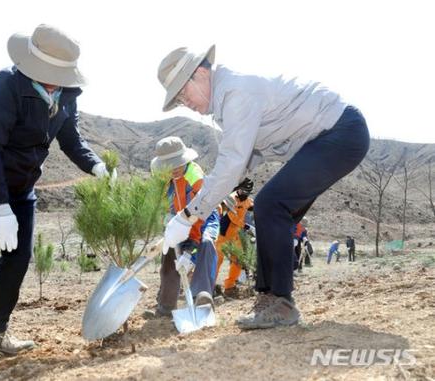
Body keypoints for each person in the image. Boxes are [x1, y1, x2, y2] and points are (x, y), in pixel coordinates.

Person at [0, 25, 114, 380]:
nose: (52, 83)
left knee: (18, 258)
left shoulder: (67, 95)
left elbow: (71, 139)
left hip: (22, 185)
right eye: (48, 77)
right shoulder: (4, 87)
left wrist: (97, 166)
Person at [156, 45, 370, 330]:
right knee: (271, 211)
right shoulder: (227, 102)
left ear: (201, 73)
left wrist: (188, 215)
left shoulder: (235, 93)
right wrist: (208, 201)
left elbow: (232, 163)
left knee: (271, 204)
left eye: (184, 93)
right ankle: (270, 299)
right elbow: (244, 160)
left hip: (340, 132)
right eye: (180, 100)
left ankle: (282, 302)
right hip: (325, 140)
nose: (187, 103)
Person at [150, 136, 220, 317]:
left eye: (177, 163)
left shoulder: (195, 177)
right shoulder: (165, 180)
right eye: (169, 165)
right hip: (180, 220)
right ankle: (166, 306)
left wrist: (190, 250)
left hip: (204, 219)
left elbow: (201, 211)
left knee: (206, 245)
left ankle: (202, 297)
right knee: (169, 251)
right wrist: (168, 229)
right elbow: (168, 208)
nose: (174, 169)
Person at [214, 179, 254, 298]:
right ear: (238, 189)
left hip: (235, 235)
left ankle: (230, 286)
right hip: (224, 234)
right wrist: (246, 226)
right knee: (217, 260)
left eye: (247, 191)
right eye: (243, 190)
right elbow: (233, 216)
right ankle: (208, 285)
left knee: (238, 259)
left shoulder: (247, 200)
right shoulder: (231, 198)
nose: (245, 193)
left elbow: (251, 204)